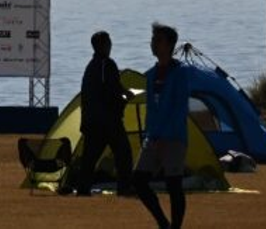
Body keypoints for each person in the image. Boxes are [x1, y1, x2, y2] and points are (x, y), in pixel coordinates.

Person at [133, 22, 190, 229]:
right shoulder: (150, 74)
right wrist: (150, 135)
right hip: (153, 138)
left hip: (174, 138)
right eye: (152, 40)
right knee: (138, 181)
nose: (153, 44)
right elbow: (151, 110)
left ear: (169, 45)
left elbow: (179, 109)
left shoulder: (180, 73)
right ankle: (163, 223)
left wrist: (165, 137)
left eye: (158, 40)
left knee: (173, 184)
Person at [63, 30, 132, 196]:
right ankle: (124, 188)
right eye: (109, 42)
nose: (111, 45)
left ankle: (83, 189)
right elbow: (111, 90)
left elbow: (108, 88)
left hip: (92, 121)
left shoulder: (92, 66)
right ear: (104, 45)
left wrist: (122, 92)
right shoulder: (106, 64)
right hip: (107, 121)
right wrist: (124, 100)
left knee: (90, 157)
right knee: (123, 154)